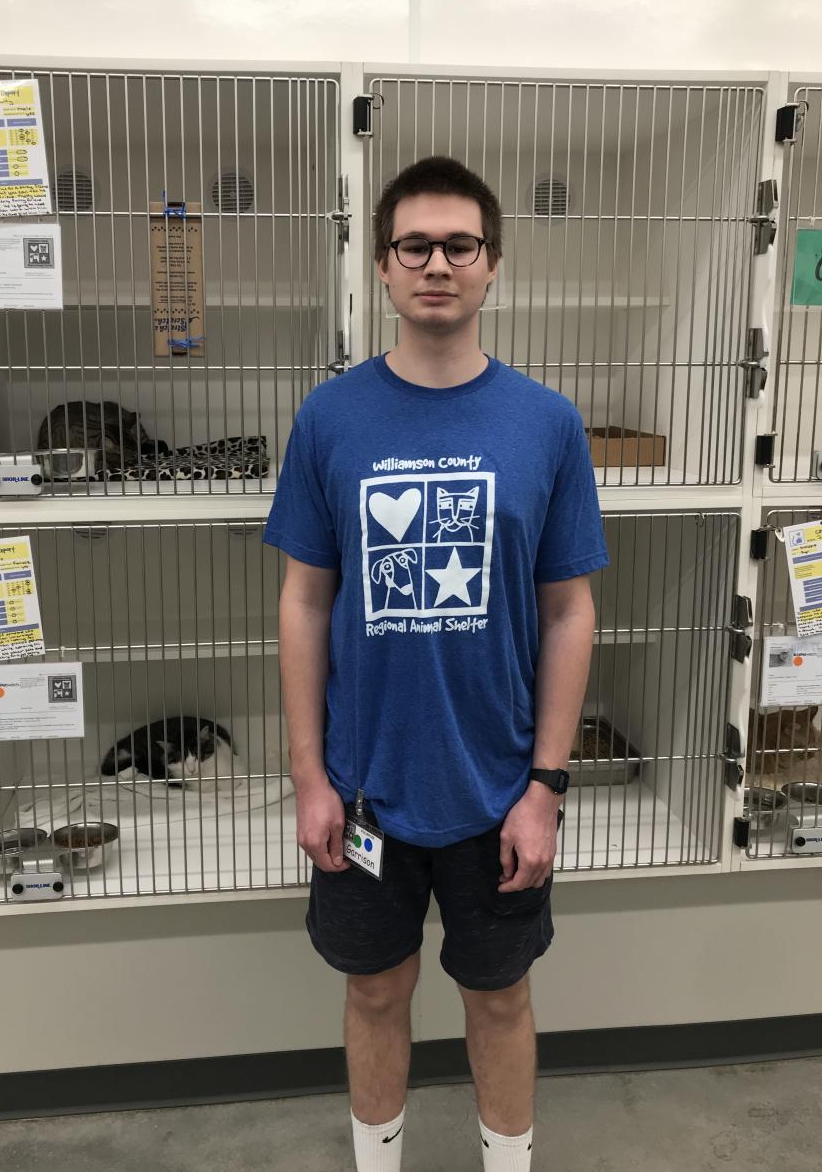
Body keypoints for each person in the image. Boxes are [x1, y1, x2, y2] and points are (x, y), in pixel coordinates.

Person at [263, 156, 609, 1172]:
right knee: (375, 989)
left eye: (460, 245)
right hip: (364, 790)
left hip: (499, 790)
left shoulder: (546, 423)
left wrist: (545, 786)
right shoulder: (331, 418)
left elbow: (569, 611)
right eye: (414, 245)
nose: (437, 265)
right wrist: (310, 774)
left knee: (498, 998)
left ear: (493, 263)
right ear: (382, 265)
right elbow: (304, 600)